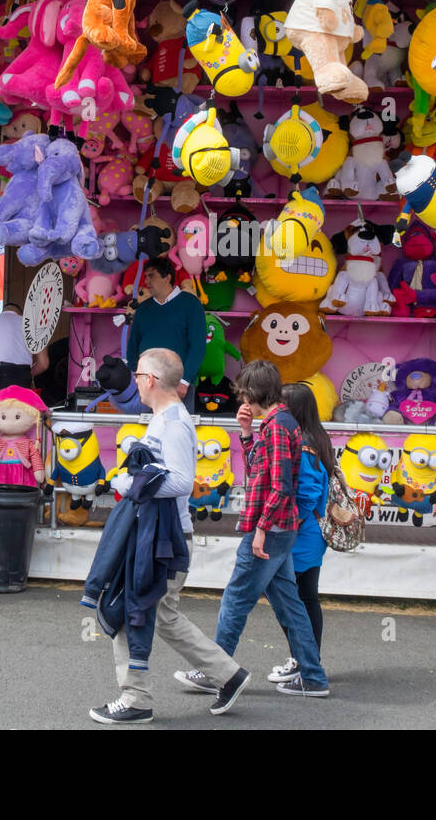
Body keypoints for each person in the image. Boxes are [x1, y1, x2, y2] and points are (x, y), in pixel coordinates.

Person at [89, 347, 251, 725]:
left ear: (149, 380)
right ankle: (228, 676)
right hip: (165, 535)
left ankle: (136, 698)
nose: (133, 380)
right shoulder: (168, 418)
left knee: (134, 614)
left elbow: (179, 481)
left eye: (136, 374)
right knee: (159, 617)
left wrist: (128, 482)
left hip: (164, 539)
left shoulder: (173, 422)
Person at [175, 360, 330, 699]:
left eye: (244, 392)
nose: (242, 398)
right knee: (291, 604)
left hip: (270, 529)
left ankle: (215, 671)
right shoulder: (280, 423)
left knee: (235, 601)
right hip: (279, 528)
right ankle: (313, 676)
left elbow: (279, 487)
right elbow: (264, 473)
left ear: (255, 391)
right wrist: (246, 433)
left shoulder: (276, 426)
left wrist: (261, 528)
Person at [269, 382, 331, 684]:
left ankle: (303, 661)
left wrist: (285, 523)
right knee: (307, 599)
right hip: (310, 537)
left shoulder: (304, 444)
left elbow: (306, 495)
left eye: (281, 406)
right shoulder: (317, 438)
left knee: (294, 602)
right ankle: (307, 660)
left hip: (300, 536)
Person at [126, 256, 207, 411]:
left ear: (167, 277)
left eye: (151, 276)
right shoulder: (143, 309)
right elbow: (132, 346)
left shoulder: (191, 304)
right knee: (144, 432)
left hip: (178, 384)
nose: (146, 282)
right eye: (145, 276)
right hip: (146, 384)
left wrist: (185, 380)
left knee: (178, 429)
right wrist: (135, 378)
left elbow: (198, 347)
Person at [0, 302, 48, 399]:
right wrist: (25, 373)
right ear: (21, 315)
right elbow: (43, 364)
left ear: (2, 312)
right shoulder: (34, 325)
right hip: (23, 375)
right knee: (20, 412)